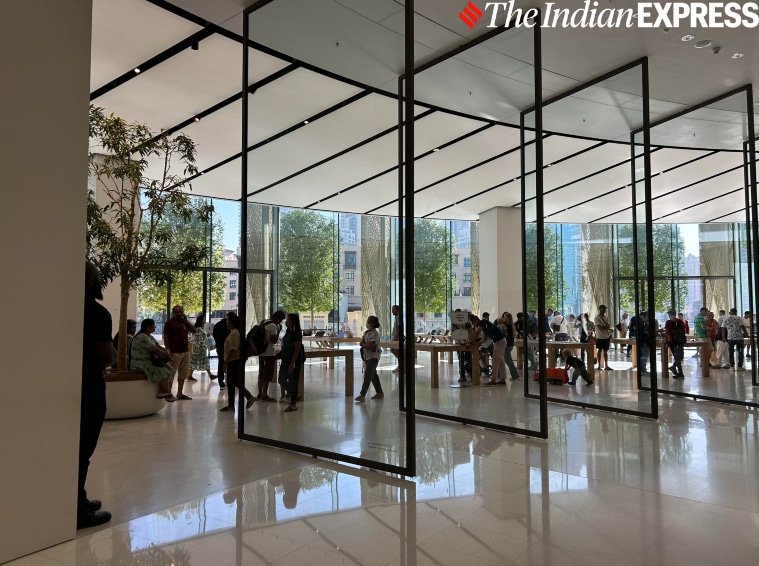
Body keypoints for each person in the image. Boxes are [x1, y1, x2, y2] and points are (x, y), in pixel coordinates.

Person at [78, 262, 115, 529]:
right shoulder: (97, 313)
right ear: (91, 282)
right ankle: (78, 509)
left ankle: (76, 498)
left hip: (65, 385)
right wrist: (114, 353)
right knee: (83, 450)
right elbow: (105, 356)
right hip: (89, 387)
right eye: (98, 278)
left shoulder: (60, 308)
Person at [130, 319, 174, 400]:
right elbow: (155, 349)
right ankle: (168, 393)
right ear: (148, 327)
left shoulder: (149, 336)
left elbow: (158, 346)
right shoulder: (142, 336)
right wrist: (169, 356)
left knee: (169, 368)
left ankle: (162, 392)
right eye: (154, 325)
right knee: (163, 370)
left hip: (148, 360)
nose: (155, 327)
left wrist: (166, 350)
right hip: (140, 362)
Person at [220, 312, 255, 412]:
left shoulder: (234, 333)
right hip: (235, 361)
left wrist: (226, 362)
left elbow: (233, 349)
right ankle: (247, 397)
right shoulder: (235, 332)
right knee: (235, 382)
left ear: (232, 323)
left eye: (228, 321)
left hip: (233, 361)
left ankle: (233, 404)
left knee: (232, 383)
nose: (226, 322)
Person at [163, 305, 195, 401]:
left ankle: (180, 393)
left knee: (183, 374)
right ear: (174, 313)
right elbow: (166, 337)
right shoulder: (169, 323)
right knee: (171, 374)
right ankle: (168, 393)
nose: (179, 314)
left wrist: (186, 320)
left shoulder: (184, 323)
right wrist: (168, 350)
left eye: (181, 312)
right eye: (177, 312)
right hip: (175, 352)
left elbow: (194, 330)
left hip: (185, 351)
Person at [257, 310, 286, 401]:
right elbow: (274, 340)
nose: (280, 322)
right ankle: (265, 395)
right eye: (280, 320)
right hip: (268, 353)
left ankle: (260, 394)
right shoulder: (273, 326)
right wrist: (279, 331)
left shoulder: (264, 321)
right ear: (277, 318)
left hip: (261, 352)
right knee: (268, 374)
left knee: (261, 373)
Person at [278, 313, 304, 412]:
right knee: (281, 379)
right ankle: (291, 394)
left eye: (288, 320)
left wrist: (292, 363)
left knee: (293, 381)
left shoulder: (296, 333)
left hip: (294, 360)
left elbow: (297, 349)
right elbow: (285, 345)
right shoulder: (288, 332)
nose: (286, 322)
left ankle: (293, 404)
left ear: (293, 322)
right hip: (286, 359)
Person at [356, 315, 384, 402]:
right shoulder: (367, 332)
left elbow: (371, 347)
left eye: (368, 322)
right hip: (366, 356)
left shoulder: (375, 334)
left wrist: (363, 345)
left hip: (373, 357)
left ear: (372, 324)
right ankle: (380, 393)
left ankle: (362, 395)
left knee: (368, 374)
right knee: (373, 375)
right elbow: (364, 342)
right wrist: (365, 345)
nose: (367, 323)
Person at [475, 315, 506, 385]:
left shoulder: (483, 322)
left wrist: (473, 340)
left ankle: (493, 380)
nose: (474, 325)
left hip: (500, 342)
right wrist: (477, 343)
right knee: (500, 361)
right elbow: (484, 339)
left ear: (476, 321)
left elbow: (477, 333)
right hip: (498, 342)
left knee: (495, 361)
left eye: (474, 323)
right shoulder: (485, 328)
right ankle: (503, 379)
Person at [188, 314, 216, 381]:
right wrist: (197, 348)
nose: (205, 320)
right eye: (204, 319)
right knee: (197, 360)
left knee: (198, 360)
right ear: (201, 320)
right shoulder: (198, 329)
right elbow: (197, 339)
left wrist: (207, 335)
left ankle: (209, 374)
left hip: (201, 348)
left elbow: (202, 338)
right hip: (199, 348)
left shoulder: (201, 329)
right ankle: (210, 375)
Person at [665, 309, 687, 378]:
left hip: (673, 342)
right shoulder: (680, 321)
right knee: (679, 357)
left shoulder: (668, 322)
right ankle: (674, 368)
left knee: (677, 358)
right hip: (680, 341)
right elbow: (684, 331)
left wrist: (666, 341)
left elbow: (667, 332)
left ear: (669, 314)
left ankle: (680, 373)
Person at [212, 313, 231, 389]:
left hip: (219, 347)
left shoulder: (217, 325)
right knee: (229, 364)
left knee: (220, 364)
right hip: (227, 348)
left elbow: (214, 335)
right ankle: (229, 381)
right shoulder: (229, 326)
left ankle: (221, 382)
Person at [594, 306, 612, 370]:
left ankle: (606, 365)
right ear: (600, 309)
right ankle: (599, 365)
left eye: (605, 309)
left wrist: (606, 327)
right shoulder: (597, 317)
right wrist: (606, 327)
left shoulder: (606, 317)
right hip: (600, 336)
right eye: (603, 308)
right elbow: (600, 327)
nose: (604, 310)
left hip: (606, 336)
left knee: (605, 351)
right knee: (599, 350)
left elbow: (608, 325)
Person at [390, 304, 401, 373]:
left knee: (396, 351)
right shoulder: (396, 317)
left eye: (393, 310)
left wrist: (396, 338)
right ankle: (400, 364)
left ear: (397, 310)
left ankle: (400, 365)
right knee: (393, 350)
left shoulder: (399, 318)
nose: (392, 311)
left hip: (397, 339)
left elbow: (400, 329)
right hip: (395, 338)